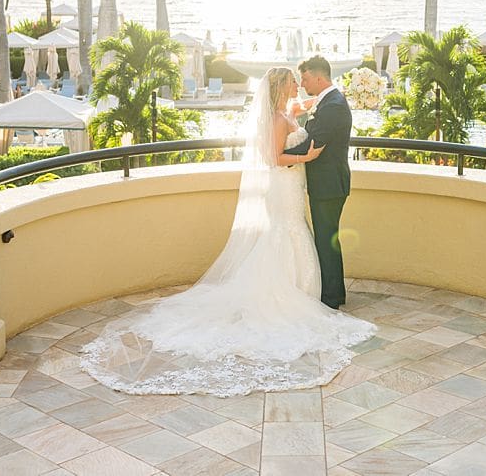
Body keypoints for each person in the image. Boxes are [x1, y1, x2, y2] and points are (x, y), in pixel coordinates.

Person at [80, 66, 375, 397]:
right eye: (294, 81)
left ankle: (303, 290)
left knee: (295, 232)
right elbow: (273, 156)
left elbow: (308, 107)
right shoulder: (278, 119)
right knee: (286, 231)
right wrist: (307, 154)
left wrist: (325, 99)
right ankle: (292, 294)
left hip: (293, 184)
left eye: (301, 80)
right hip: (285, 182)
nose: (299, 85)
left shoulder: (286, 111)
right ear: (281, 86)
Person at [284, 55, 354, 309]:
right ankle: (333, 292)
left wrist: (278, 158)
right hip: (328, 183)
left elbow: (315, 142)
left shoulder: (333, 105)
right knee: (327, 238)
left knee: (326, 239)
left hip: (329, 184)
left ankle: (331, 298)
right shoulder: (328, 101)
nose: (302, 84)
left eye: (305, 78)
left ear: (319, 77)